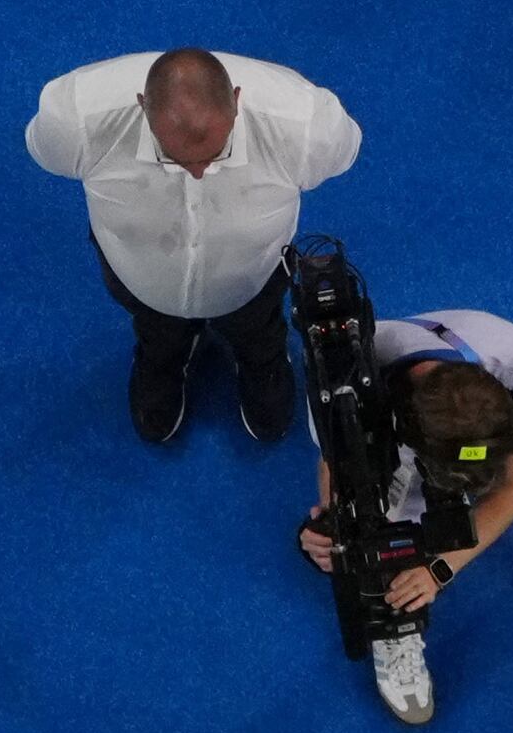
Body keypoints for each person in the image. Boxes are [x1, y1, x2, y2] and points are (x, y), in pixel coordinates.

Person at [292, 307, 513, 725]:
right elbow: (338, 465)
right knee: (381, 539)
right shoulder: (343, 386)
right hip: (387, 447)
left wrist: (439, 569)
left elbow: (512, 488)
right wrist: (336, 524)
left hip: (456, 443)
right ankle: (399, 626)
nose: (467, 495)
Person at [26, 47, 358, 448]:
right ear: (141, 107)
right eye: (176, 159)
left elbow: (342, 154)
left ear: (237, 101)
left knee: (258, 328)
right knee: (156, 329)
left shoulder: (306, 125)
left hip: (255, 280)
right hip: (140, 280)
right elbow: (45, 151)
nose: (199, 174)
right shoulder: (75, 120)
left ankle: (263, 359)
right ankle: (161, 354)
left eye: (216, 154)